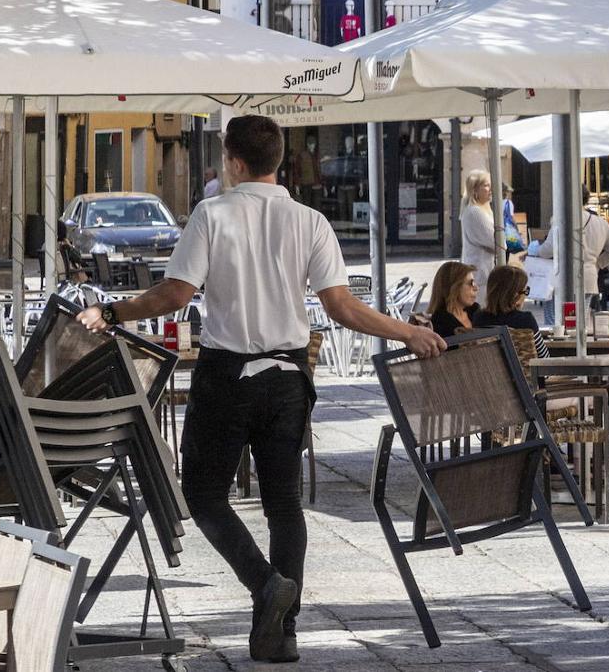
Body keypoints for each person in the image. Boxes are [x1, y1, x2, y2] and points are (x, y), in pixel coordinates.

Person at [75, 115, 444, 663]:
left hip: (227, 374)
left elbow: (176, 294)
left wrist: (112, 311)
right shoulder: (310, 220)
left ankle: (266, 585)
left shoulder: (213, 213)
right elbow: (341, 307)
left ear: (234, 160)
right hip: (290, 377)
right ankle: (279, 635)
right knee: (283, 504)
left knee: (203, 495)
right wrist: (409, 331)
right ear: (279, 161)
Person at [537, 188, 609, 310]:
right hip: (589, 278)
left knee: (560, 323)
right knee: (584, 321)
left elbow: (548, 250)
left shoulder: (561, 220)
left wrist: (536, 250)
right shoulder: (599, 222)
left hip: (562, 279)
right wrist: (598, 263)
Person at [473, 264, 550, 359]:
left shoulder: (478, 318)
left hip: (488, 373)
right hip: (523, 374)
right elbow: (544, 357)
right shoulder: (525, 320)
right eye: (526, 291)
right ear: (515, 295)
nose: (525, 296)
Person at [459, 169, 498, 292]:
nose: (491, 189)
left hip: (483, 275)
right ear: (474, 190)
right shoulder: (475, 212)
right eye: (486, 185)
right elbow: (497, 243)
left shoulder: (483, 210)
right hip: (480, 277)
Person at [428, 261, 479, 338]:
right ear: (454, 287)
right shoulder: (440, 323)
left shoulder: (475, 311)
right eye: (471, 283)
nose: (476, 288)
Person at [291, 133, 322, 210]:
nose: (312, 146)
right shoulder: (301, 155)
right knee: (306, 205)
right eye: (310, 144)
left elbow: (320, 170)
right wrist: (297, 184)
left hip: (317, 183)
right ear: (307, 144)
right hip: (306, 183)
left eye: (313, 144)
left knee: (316, 205)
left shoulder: (317, 155)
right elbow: (297, 171)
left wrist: (323, 183)